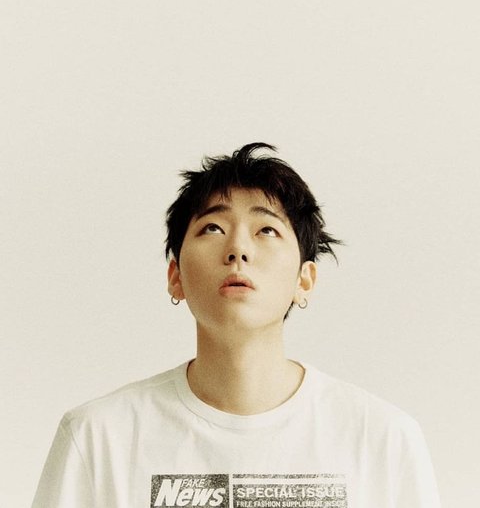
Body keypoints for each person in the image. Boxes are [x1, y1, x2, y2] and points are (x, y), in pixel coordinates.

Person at [32, 143, 441, 508]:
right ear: (175, 276)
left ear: (304, 280)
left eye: (267, 230)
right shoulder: (98, 437)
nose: (238, 249)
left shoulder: (383, 439)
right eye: (213, 228)